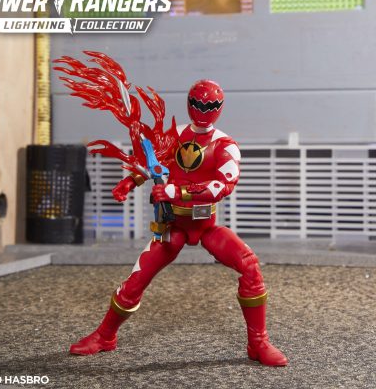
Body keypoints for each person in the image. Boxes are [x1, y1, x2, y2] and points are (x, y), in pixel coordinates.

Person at [69, 80, 288, 367]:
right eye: (198, 104)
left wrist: (177, 191)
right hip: (173, 226)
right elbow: (153, 164)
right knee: (136, 280)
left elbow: (223, 185)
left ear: (220, 108)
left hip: (206, 225)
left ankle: (258, 343)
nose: (203, 111)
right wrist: (129, 182)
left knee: (250, 267)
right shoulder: (174, 137)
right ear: (188, 103)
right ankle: (105, 336)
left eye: (210, 106)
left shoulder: (225, 145)